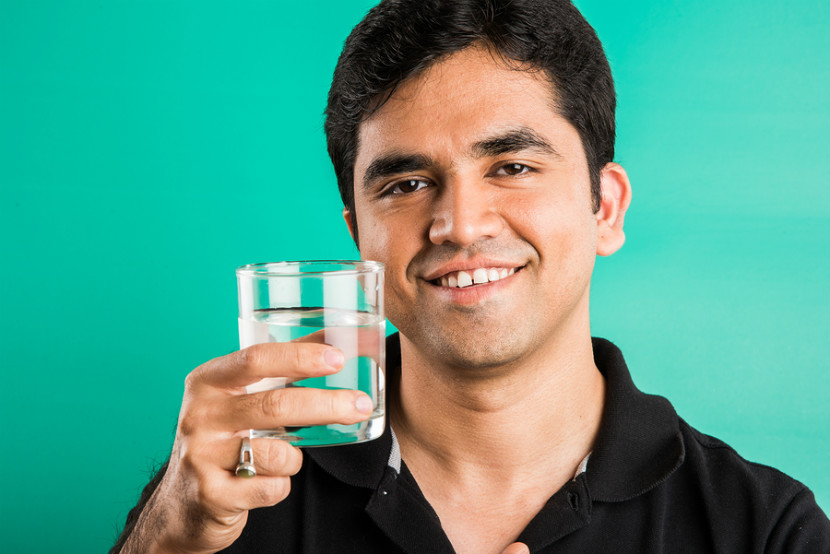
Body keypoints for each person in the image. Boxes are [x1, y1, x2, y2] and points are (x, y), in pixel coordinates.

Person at [112, 1, 830, 553]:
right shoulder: (227, 504)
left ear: (604, 206)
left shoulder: (765, 529)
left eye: (512, 167)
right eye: (406, 182)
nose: (459, 222)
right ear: (358, 238)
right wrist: (163, 536)